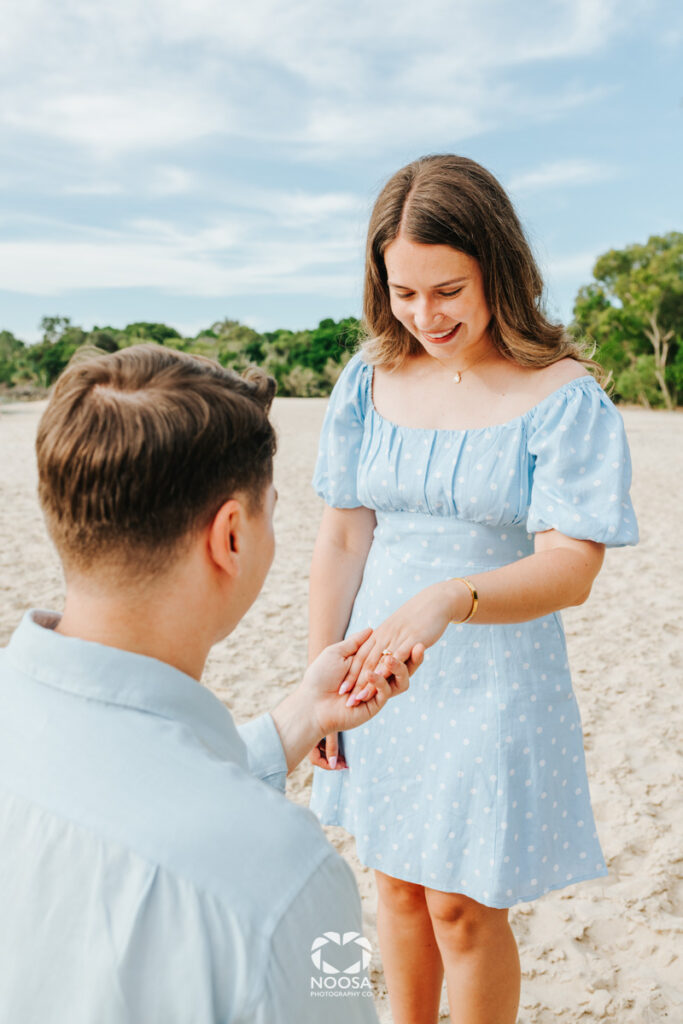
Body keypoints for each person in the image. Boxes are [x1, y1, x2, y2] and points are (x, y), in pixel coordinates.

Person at [307, 154, 639, 1024]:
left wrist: (449, 598)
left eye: (448, 290)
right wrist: (319, 681)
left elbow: (571, 568)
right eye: (404, 293)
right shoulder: (365, 380)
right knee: (394, 885)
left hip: (491, 673)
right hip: (375, 670)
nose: (425, 316)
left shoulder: (561, 395)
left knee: (459, 905)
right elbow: (342, 537)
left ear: (498, 265)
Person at [0, 344, 424, 1023]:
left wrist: (298, 719)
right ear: (230, 537)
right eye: (270, 511)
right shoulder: (290, 876)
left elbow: (120, 782)